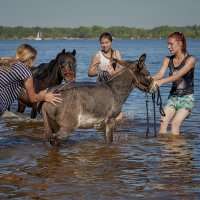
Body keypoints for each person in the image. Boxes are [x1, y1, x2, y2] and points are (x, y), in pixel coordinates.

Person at [0, 43, 62, 116]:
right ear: (30, 60)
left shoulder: (6, 63)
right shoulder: (25, 72)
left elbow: (18, 90)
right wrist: (45, 97)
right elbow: (32, 99)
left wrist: (38, 95)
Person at [153, 32, 196, 135]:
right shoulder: (167, 59)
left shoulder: (190, 60)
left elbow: (178, 75)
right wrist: (148, 79)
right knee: (163, 122)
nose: (168, 47)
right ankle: (164, 149)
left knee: (175, 124)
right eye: (167, 44)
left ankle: (176, 150)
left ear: (180, 44)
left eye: (171, 44)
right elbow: (160, 74)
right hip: (173, 97)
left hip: (187, 98)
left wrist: (161, 82)